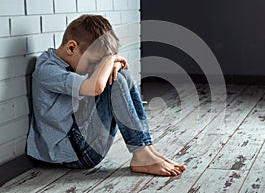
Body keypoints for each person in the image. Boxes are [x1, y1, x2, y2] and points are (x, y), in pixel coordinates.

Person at [26, 14, 186, 176]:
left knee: (122, 76)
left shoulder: (70, 61)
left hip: (81, 138)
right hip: (73, 152)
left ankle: (147, 149)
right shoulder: (48, 70)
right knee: (113, 81)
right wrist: (111, 60)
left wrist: (111, 64)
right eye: (92, 63)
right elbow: (94, 87)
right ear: (71, 48)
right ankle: (141, 153)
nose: (92, 69)